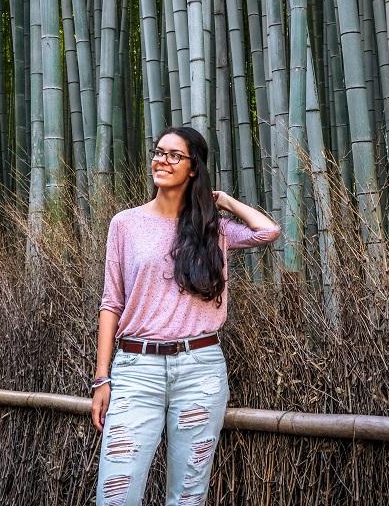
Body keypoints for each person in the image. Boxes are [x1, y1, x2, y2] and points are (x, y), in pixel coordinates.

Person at [90, 126, 280, 506]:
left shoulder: (214, 230)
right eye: (158, 152)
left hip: (200, 369)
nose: (162, 160)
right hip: (136, 368)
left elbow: (268, 231)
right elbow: (111, 303)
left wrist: (223, 201)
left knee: (189, 496)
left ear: (194, 168)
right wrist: (101, 378)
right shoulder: (125, 224)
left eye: (174, 155)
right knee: (116, 492)